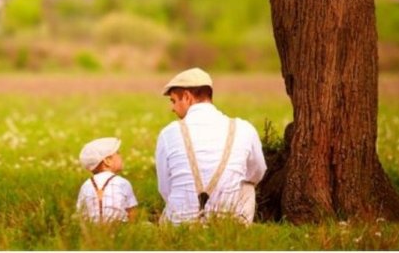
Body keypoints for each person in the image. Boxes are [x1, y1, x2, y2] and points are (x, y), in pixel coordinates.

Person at [155, 67, 266, 224]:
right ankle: (238, 229)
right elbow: (257, 173)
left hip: (180, 225)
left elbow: (164, 188)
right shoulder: (243, 128)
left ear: (187, 97)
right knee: (247, 185)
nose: (172, 108)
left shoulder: (168, 133)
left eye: (173, 100)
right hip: (227, 223)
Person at [76, 137, 138, 222]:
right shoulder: (122, 183)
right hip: (119, 227)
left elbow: (82, 214)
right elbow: (132, 213)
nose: (121, 155)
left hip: (93, 229)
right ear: (107, 161)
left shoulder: (85, 185)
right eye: (118, 153)